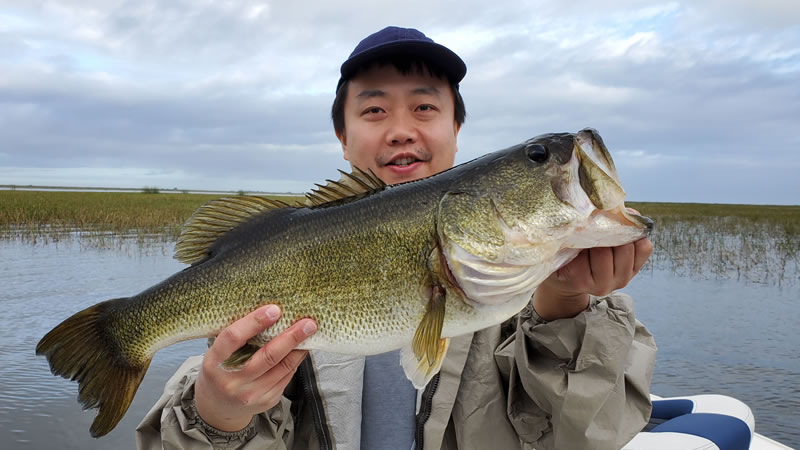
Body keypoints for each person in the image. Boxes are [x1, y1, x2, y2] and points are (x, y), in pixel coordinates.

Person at [136, 26, 656, 450]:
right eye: (374, 110)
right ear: (343, 137)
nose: (402, 129)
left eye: (425, 108)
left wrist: (566, 307)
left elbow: (587, 436)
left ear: (457, 130)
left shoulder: (536, 293)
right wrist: (219, 414)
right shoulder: (277, 258)